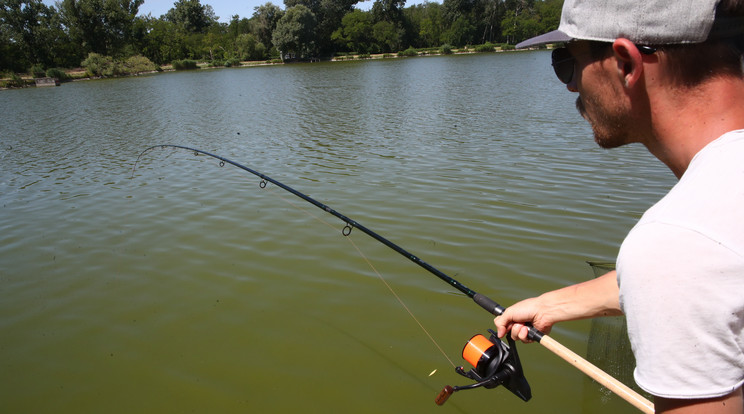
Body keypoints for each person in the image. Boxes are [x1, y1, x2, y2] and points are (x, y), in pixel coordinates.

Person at [493, 0, 744, 412]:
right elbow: (713, 270)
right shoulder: (706, 231)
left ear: (625, 63)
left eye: (567, 64)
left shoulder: (677, 245)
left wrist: (660, 263)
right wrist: (553, 304)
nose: (571, 87)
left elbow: (685, 264)